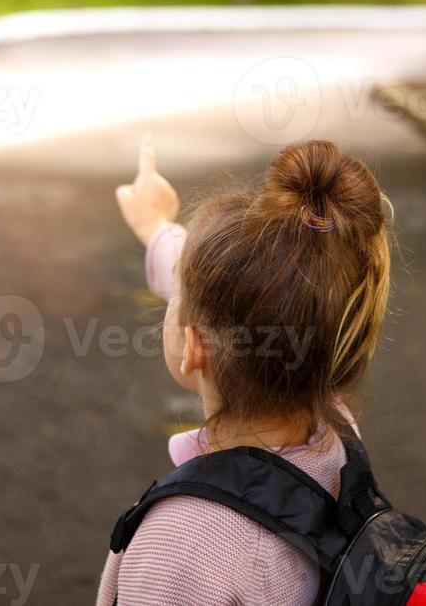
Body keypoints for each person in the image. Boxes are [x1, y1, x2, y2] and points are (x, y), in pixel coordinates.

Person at [97, 135, 392, 606]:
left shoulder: (179, 546)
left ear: (194, 345)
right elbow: (250, 290)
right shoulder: (335, 434)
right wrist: (156, 227)